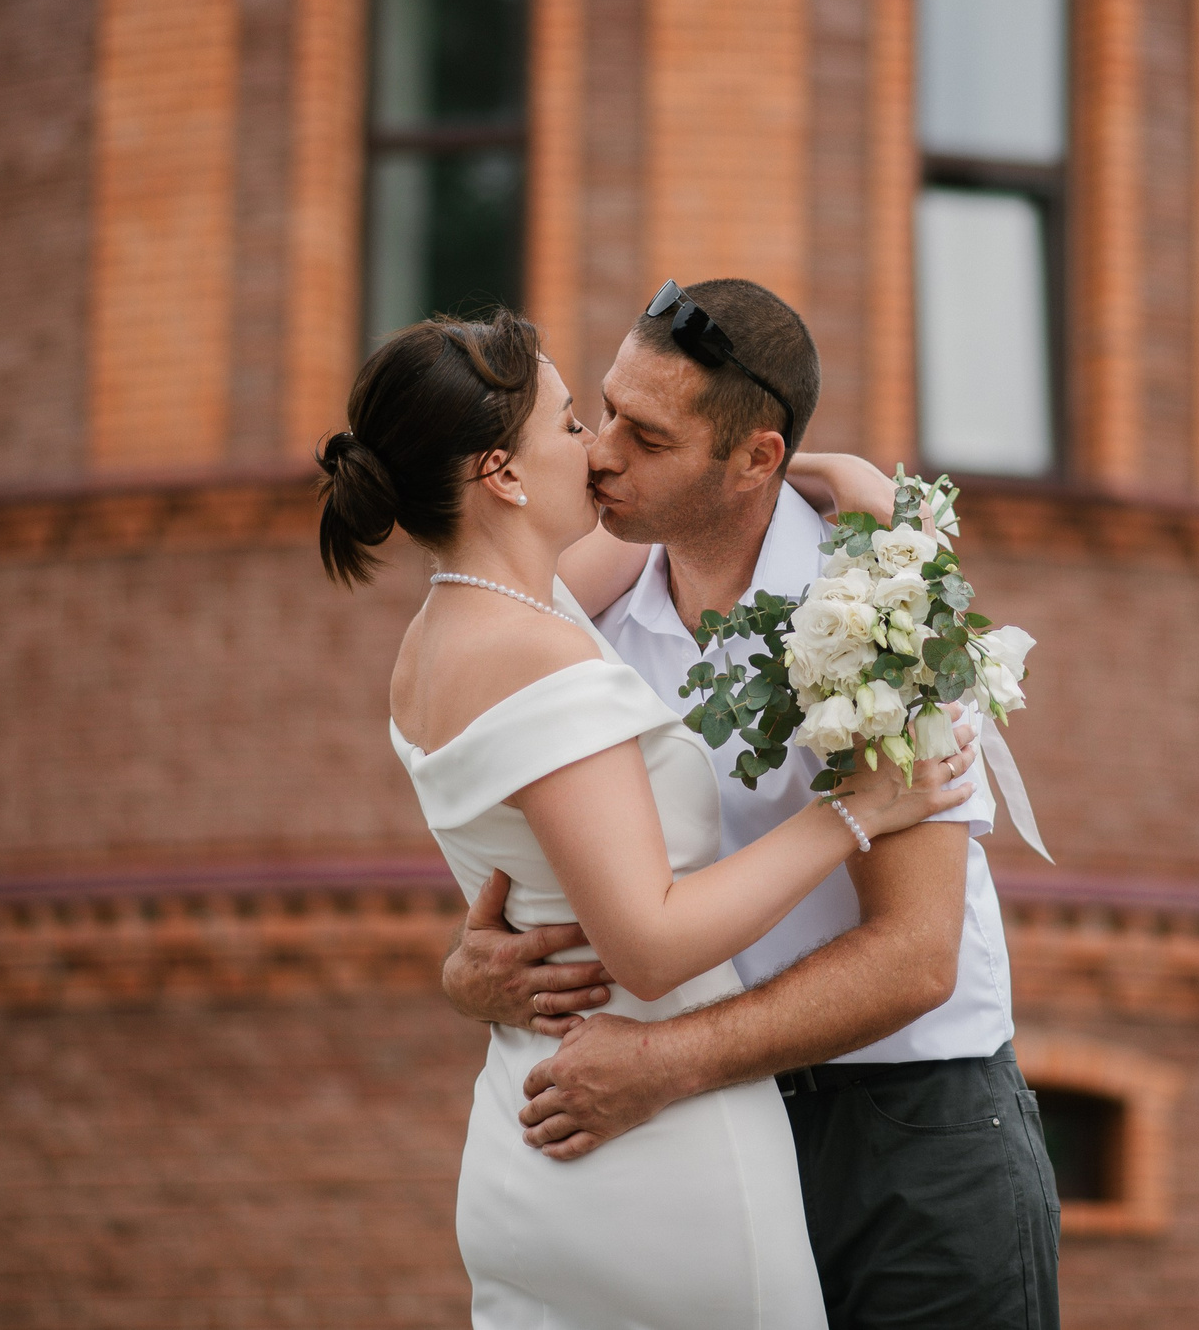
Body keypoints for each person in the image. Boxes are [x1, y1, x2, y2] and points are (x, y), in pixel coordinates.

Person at [316, 306, 977, 1330]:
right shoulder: (539, 651)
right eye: (579, 421)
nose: (601, 453)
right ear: (500, 472)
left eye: (637, 432)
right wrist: (852, 812)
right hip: (652, 1141)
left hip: (536, 1112)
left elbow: (677, 520)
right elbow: (651, 941)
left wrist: (868, 509)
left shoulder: (457, 625)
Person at [443, 279, 1062, 1330]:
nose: (599, 454)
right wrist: (467, 971)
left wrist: (662, 1064)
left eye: (647, 437)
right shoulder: (586, 622)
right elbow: (527, 859)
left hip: (909, 1149)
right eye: (603, 413)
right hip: (707, 1155)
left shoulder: (874, 609)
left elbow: (915, 958)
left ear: (756, 459)